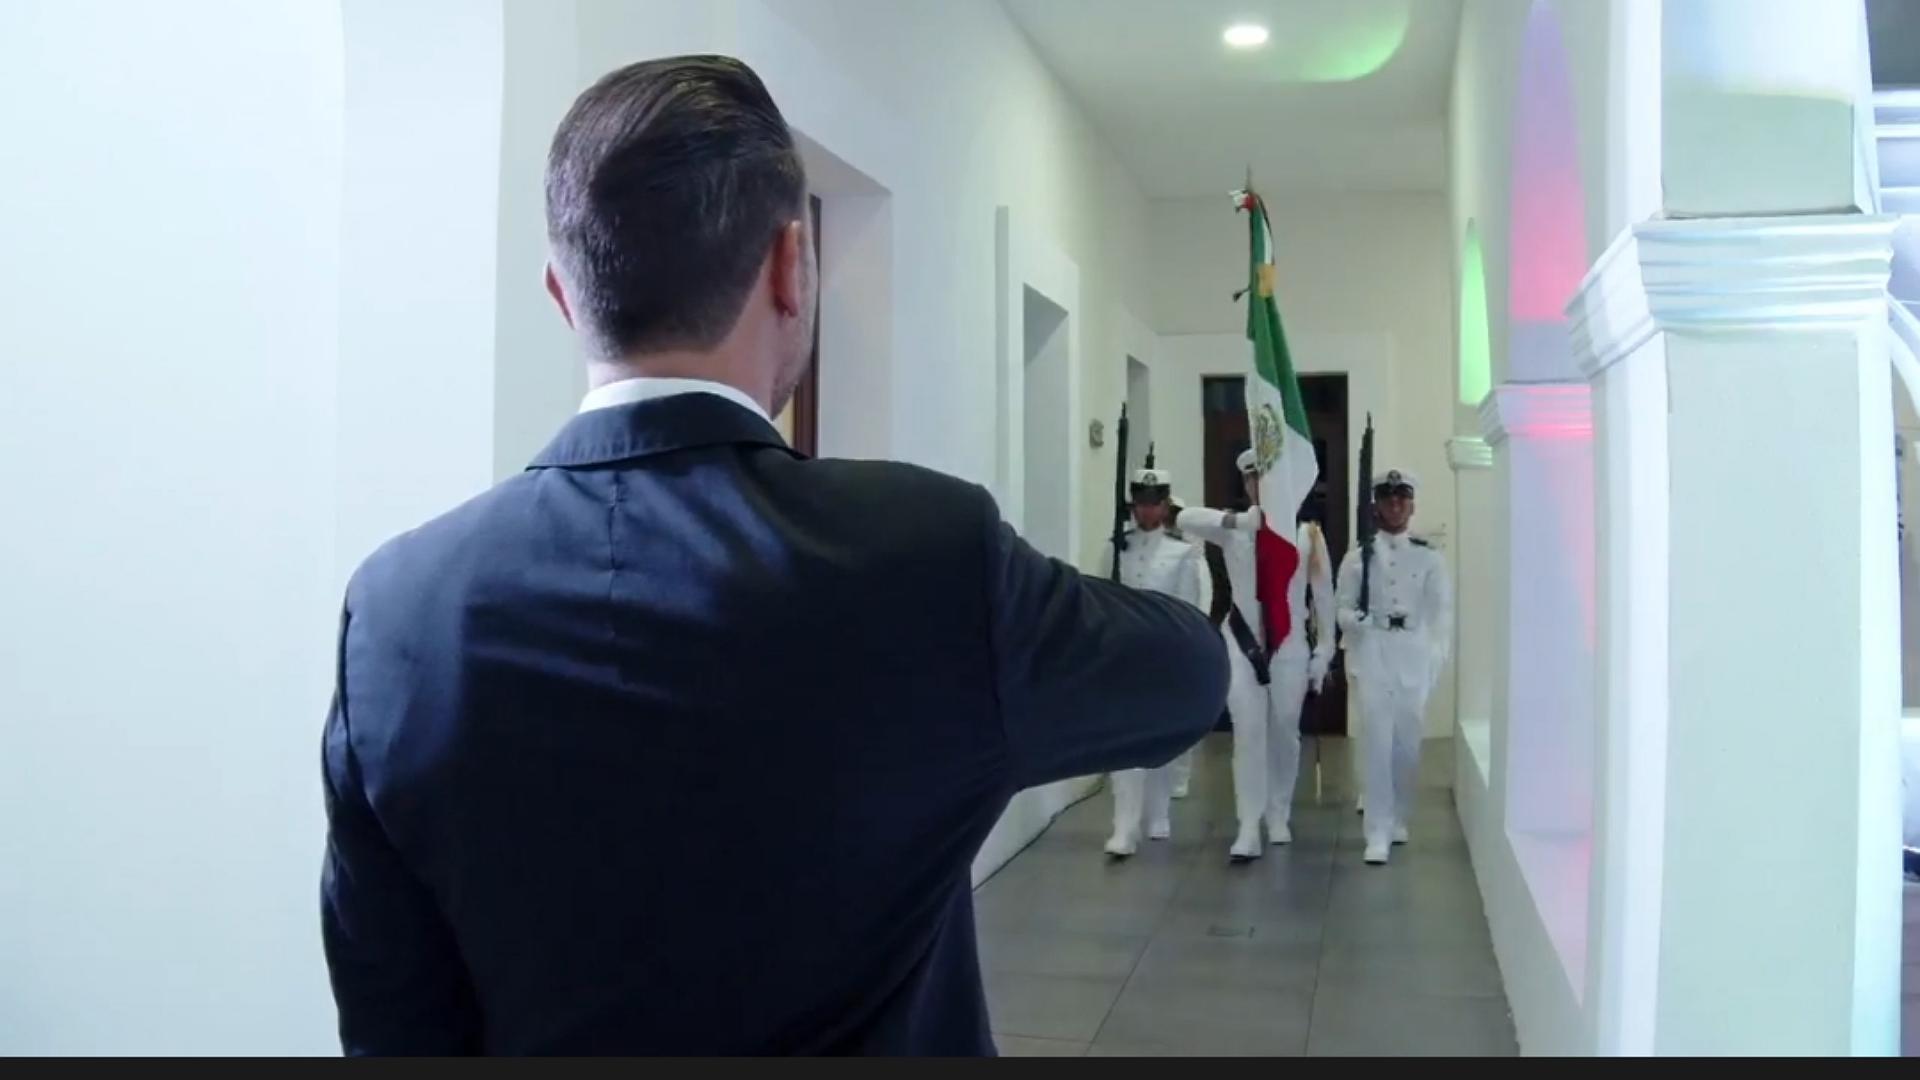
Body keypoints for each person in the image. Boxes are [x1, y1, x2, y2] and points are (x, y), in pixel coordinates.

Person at [318, 55, 1228, 1057]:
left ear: (562, 295)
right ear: (794, 265)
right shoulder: (923, 558)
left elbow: (393, 1024)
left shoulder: (396, 612)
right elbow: (1187, 676)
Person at [1175, 450, 1334, 861]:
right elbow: (1184, 518)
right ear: (1245, 484)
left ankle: (1278, 813)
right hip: (1243, 643)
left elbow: (1323, 597)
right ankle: (1248, 822)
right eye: (1251, 479)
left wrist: (1324, 651)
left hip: (1290, 645)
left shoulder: (1306, 534)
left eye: (1266, 477)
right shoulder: (1236, 530)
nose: (1258, 485)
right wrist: (1239, 522)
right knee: (1247, 733)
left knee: (1284, 730)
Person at [1334, 469, 1452, 866]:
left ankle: (1399, 815)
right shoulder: (1358, 557)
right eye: (1387, 498)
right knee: (1376, 742)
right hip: (1374, 648)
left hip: (1412, 651)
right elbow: (1342, 608)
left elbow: (1441, 615)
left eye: (1402, 497)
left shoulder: (1429, 556)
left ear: (1412, 505)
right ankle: (1377, 829)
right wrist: (1355, 622)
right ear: (1377, 506)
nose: (1395, 504)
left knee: (1407, 744)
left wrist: (1434, 661)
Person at [1103, 466, 1209, 858]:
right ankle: (1123, 826)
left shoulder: (1181, 552)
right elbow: (1100, 598)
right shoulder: (1117, 547)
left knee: (1160, 740)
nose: (1146, 511)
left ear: (1165, 506)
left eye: (1154, 503)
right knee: (1124, 742)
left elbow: (1188, 610)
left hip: (1162, 656)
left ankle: (1158, 812)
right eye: (1141, 503)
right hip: (1124, 656)